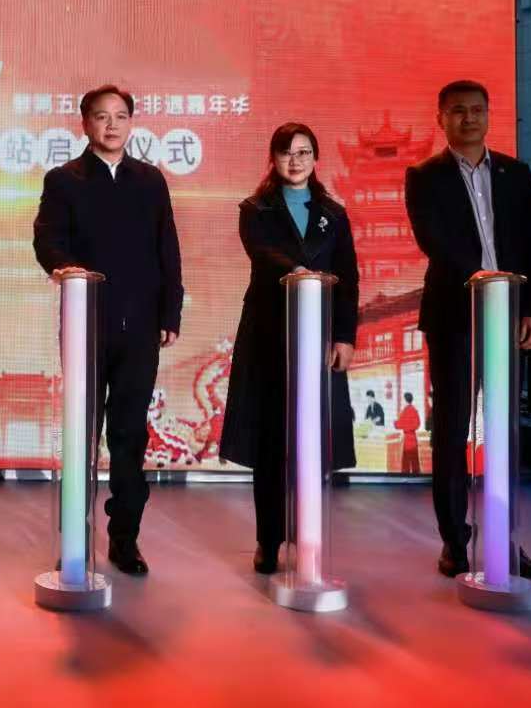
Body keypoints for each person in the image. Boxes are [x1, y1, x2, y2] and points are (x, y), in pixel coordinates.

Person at [32, 85, 183, 576]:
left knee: (129, 433)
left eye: (120, 116)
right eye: (101, 116)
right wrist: (64, 268)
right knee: (82, 432)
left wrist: (170, 314)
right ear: (85, 123)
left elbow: (167, 249)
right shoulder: (64, 180)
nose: (111, 125)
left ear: (131, 123)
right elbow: (46, 240)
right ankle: (75, 535)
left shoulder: (150, 181)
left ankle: (124, 537)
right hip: (86, 324)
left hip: (140, 327)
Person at [405, 79, 531, 580]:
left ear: (488, 115)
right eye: (457, 111)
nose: (468, 119)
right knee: (451, 429)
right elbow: (434, 241)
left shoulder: (516, 174)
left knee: (505, 432)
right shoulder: (424, 177)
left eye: (476, 110)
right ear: (440, 118)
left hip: (508, 316)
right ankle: (455, 540)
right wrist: (482, 278)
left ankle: (506, 540)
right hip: (454, 316)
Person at [219, 123, 360, 575]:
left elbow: (348, 278)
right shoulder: (255, 209)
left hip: (318, 337)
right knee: (271, 440)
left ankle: (307, 533)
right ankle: (269, 539)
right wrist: (301, 273)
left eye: (304, 152)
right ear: (273, 158)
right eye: (286, 152)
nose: (295, 161)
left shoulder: (333, 213)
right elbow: (263, 254)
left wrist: (345, 336)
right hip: (268, 336)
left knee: (312, 438)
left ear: (315, 158)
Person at [395, 392, 422, 474]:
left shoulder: (405, 411)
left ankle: (405, 475)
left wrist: (395, 422)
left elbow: (399, 424)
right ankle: (416, 474)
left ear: (405, 400)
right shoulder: (414, 410)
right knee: (414, 459)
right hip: (413, 437)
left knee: (406, 459)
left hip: (407, 437)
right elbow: (418, 424)